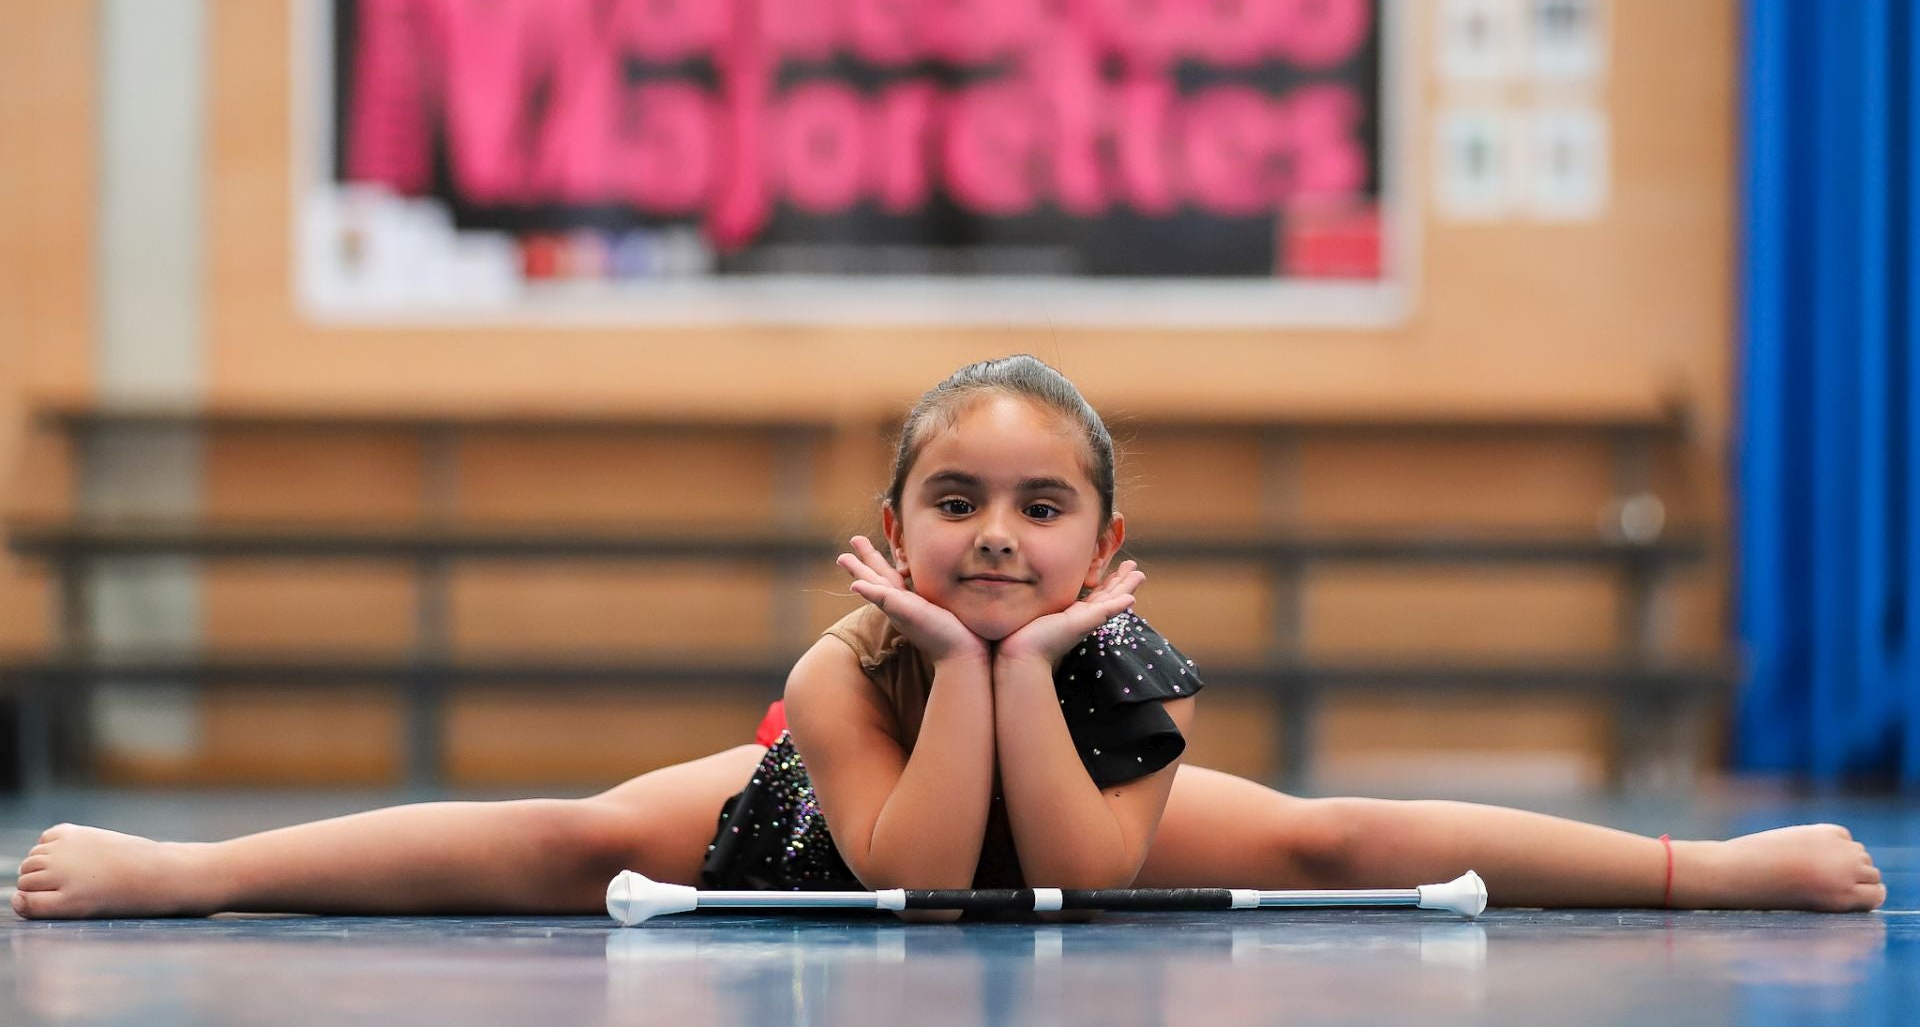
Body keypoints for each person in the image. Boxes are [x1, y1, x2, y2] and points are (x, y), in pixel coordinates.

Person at [9, 355, 1886, 920]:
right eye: (958, 501)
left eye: (1041, 509)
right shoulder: (843, 668)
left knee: (1333, 834)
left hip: (1073, 792)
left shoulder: (1125, 667)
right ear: (894, 526)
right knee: (574, 836)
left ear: (1103, 550)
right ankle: (189, 869)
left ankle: (1704, 866)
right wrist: (962, 667)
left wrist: (1031, 673)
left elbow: (1073, 873)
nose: (996, 535)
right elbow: (915, 875)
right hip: (828, 829)